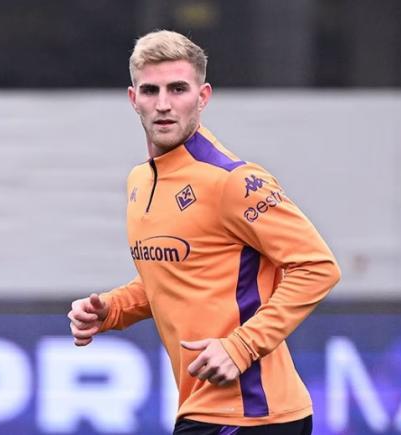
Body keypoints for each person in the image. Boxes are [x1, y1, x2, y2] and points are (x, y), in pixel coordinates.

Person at [68, 30, 340, 435]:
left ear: (203, 96)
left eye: (178, 89)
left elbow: (318, 267)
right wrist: (113, 309)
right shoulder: (139, 180)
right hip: (209, 409)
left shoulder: (232, 180)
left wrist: (241, 346)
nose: (163, 104)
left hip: (251, 412)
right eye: (151, 90)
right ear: (133, 99)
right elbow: (184, 271)